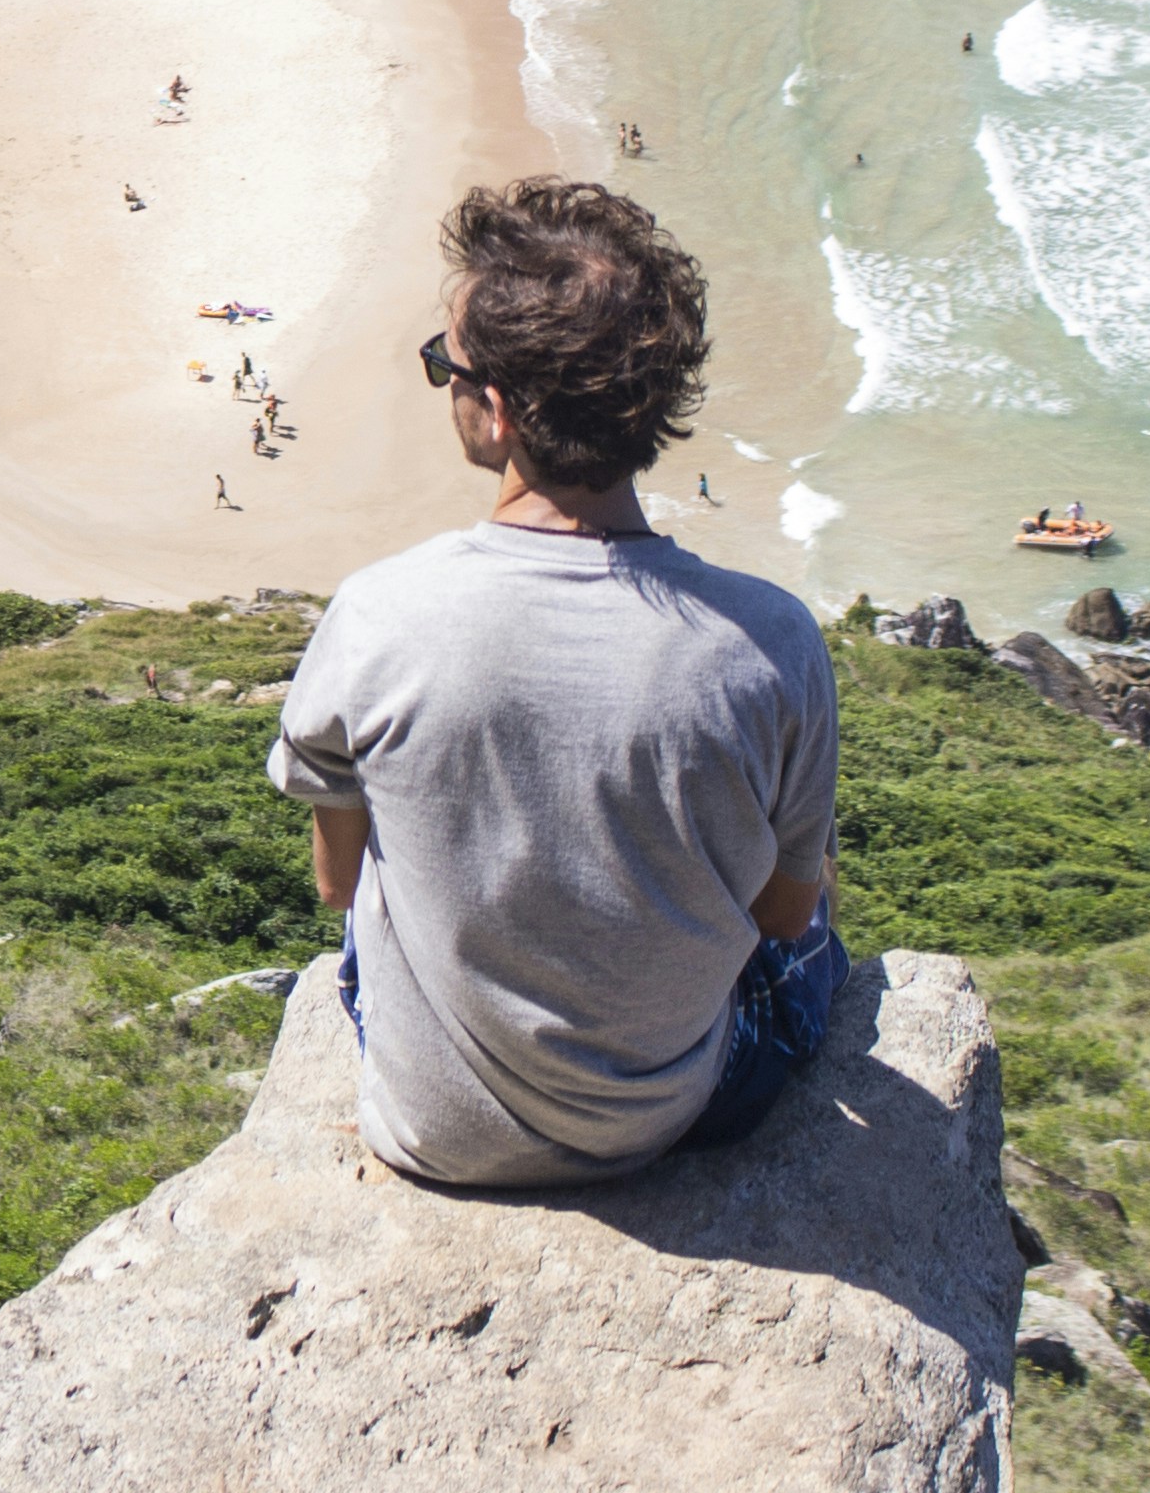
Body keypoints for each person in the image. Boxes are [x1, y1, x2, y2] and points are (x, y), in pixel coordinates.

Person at [266, 179, 841, 1187]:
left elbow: (336, 885)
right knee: (820, 939)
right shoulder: (773, 640)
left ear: (495, 411)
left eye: (443, 365)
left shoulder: (379, 613)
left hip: (432, 1129)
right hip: (666, 1119)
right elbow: (785, 916)